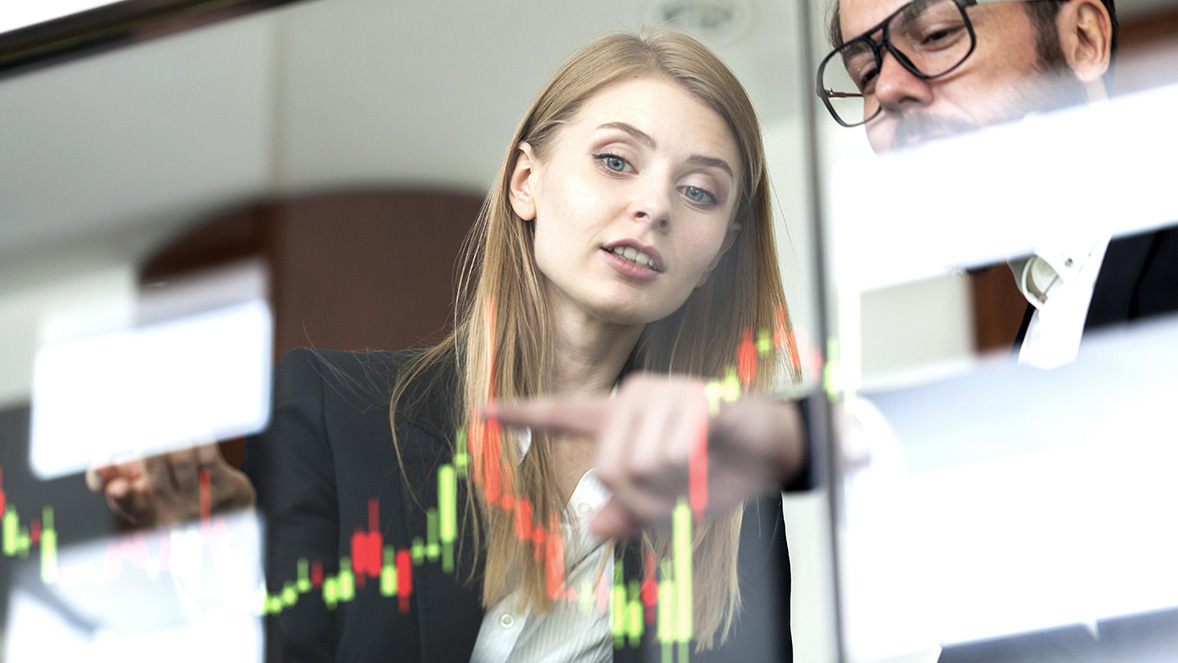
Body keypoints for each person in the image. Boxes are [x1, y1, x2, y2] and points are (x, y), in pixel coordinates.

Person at [90, 29, 803, 661]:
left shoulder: (730, 496)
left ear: (719, 253)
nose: (654, 207)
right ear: (527, 182)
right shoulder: (338, 415)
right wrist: (213, 550)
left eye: (701, 193)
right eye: (617, 161)